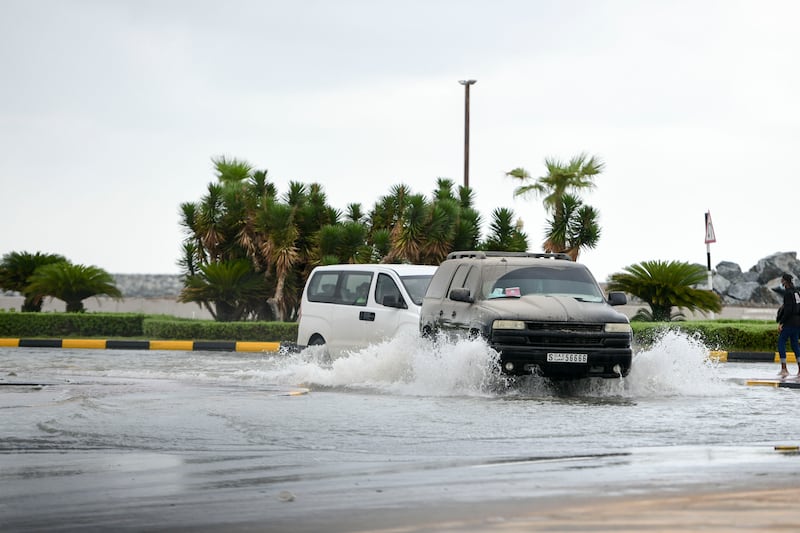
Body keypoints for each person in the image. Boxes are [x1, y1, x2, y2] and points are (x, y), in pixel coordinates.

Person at [776, 273, 800, 377]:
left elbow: (788, 310)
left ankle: (784, 369)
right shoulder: (797, 292)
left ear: (785, 281)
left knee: (781, 342)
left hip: (789, 323)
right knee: (795, 345)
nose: (781, 282)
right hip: (797, 323)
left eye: (782, 280)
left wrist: (782, 323)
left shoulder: (787, 293)